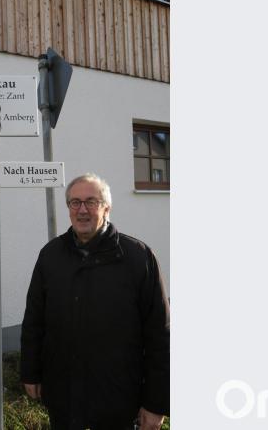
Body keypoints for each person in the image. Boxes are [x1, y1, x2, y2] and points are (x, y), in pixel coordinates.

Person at [20, 173, 170, 430]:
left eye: (91, 202)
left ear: (107, 208)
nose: (82, 210)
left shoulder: (138, 258)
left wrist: (156, 402)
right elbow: (35, 320)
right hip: (63, 399)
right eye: (75, 203)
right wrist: (30, 373)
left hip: (118, 402)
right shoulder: (50, 256)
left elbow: (160, 335)